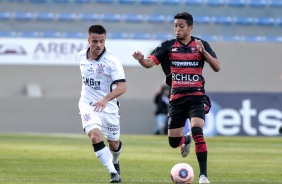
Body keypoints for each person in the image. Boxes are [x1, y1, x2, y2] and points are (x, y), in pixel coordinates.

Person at [132, 12, 220, 183]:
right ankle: (185, 139)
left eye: (181, 26)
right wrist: (141, 59)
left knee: (197, 130)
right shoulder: (167, 46)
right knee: (173, 142)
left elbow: (217, 67)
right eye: (175, 26)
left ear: (190, 27)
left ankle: (203, 176)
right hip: (177, 99)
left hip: (196, 97)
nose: (177, 29)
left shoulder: (201, 44)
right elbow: (149, 63)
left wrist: (205, 53)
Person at [78, 25, 126, 183]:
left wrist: (105, 99)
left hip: (109, 107)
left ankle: (116, 160)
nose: (98, 44)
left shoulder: (112, 61)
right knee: (95, 136)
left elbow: (122, 87)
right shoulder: (81, 57)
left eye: (102, 41)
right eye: (95, 41)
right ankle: (113, 173)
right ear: (88, 40)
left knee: (114, 143)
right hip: (88, 105)